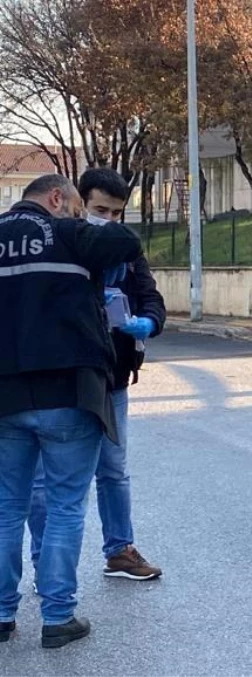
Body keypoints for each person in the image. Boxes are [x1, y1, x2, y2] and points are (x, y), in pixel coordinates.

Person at [0, 174, 143, 648]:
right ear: (57, 199)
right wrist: (85, 228)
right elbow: (126, 239)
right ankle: (58, 618)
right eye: (80, 207)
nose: (85, 216)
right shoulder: (66, 233)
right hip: (70, 390)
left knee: (6, 507)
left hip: (5, 396)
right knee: (64, 506)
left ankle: (1, 615)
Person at [27, 168, 166, 584]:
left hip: (113, 376)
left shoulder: (125, 251)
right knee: (40, 482)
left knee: (113, 469)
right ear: (77, 203)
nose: (109, 220)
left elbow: (152, 297)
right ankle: (44, 564)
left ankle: (120, 550)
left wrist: (147, 322)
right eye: (100, 209)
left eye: (117, 213)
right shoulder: (59, 242)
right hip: (62, 377)